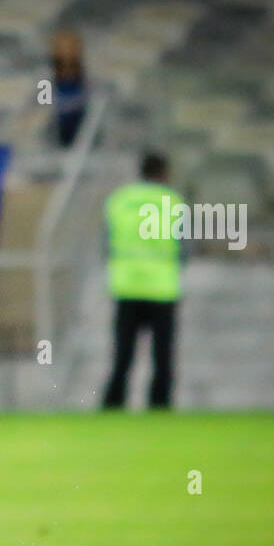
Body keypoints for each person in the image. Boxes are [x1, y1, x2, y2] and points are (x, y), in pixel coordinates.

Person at [101, 151, 184, 410]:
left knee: (123, 354)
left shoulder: (119, 200)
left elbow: (106, 242)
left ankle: (113, 405)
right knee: (162, 356)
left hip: (126, 285)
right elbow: (184, 246)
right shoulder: (172, 201)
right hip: (162, 287)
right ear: (164, 173)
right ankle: (159, 406)